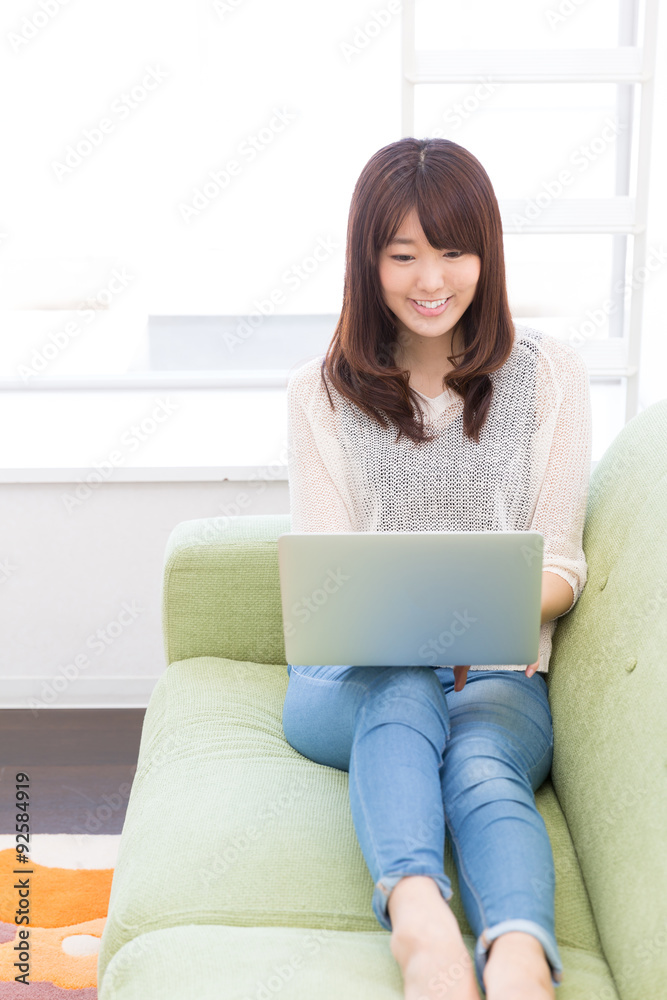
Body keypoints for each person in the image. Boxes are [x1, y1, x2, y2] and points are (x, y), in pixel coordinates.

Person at [282, 137, 592, 1000]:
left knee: (484, 762)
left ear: (485, 255)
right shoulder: (320, 392)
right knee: (403, 689)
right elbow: (329, 583)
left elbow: (561, 567)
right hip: (348, 676)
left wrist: (474, 625)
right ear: (367, 262)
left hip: (497, 672)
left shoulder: (549, 376)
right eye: (402, 255)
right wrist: (433, 628)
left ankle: (520, 959)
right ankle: (421, 932)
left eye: (453, 250)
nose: (431, 279)